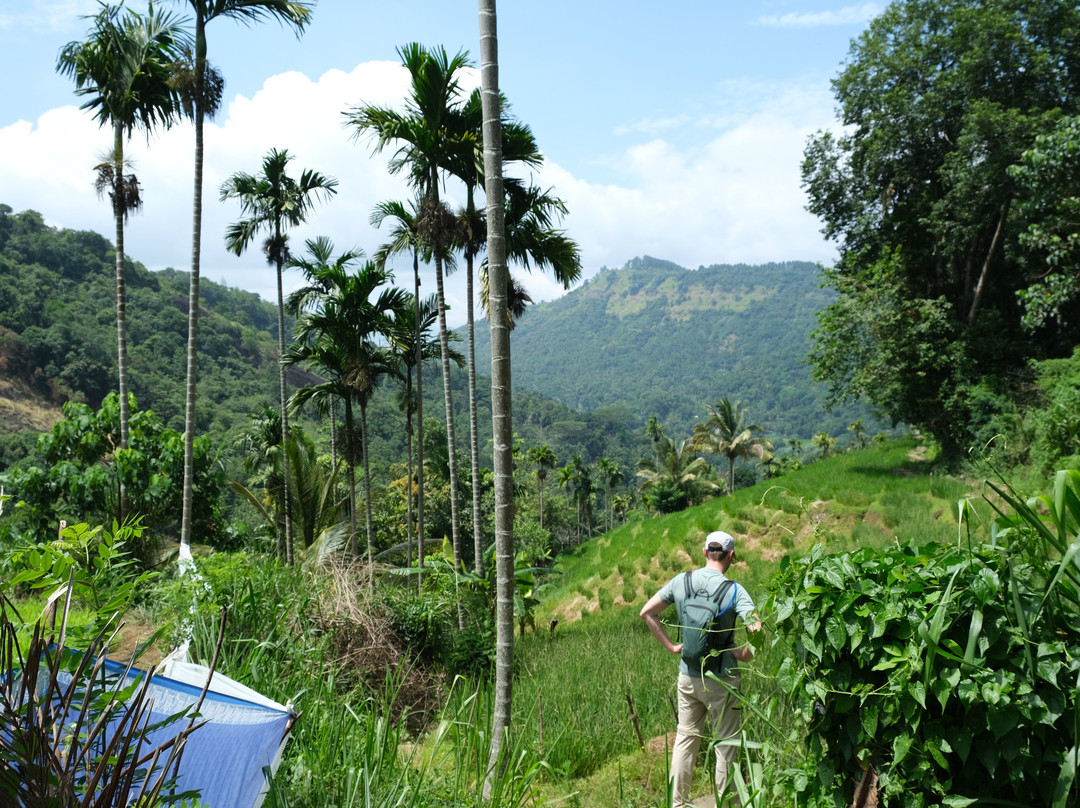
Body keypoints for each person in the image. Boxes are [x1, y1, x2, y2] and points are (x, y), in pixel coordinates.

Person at [640, 530, 761, 807]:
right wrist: (743, 654)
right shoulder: (734, 590)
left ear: (704, 552)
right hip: (723, 679)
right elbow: (757, 629)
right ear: (731, 556)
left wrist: (672, 646)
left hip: (688, 675)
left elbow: (647, 612)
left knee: (685, 740)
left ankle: (678, 803)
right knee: (725, 745)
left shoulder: (681, 582)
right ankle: (724, 804)